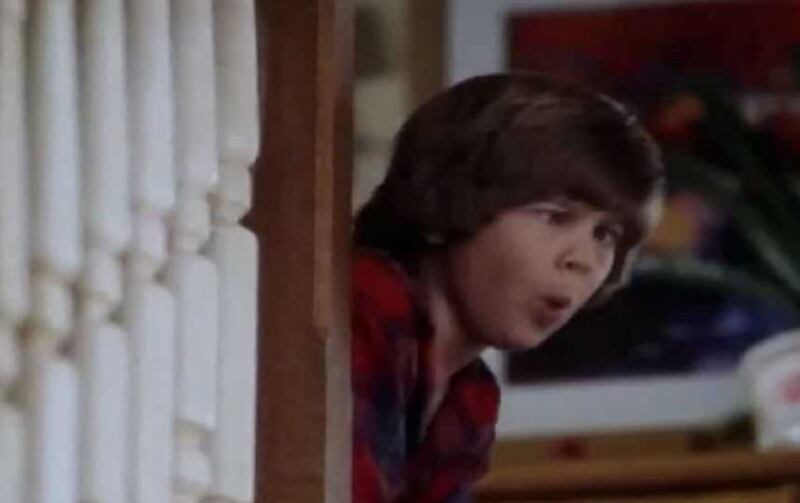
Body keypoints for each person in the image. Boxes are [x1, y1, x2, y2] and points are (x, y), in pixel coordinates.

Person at [351, 72, 665, 502]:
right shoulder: (367, 305)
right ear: (449, 197)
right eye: (556, 216)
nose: (584, 260)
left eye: (605, 234)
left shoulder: (469, 394)